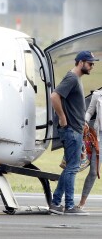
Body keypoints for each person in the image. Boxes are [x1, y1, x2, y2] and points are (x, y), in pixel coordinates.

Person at [49, 51, 99, 215]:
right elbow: (54, 96)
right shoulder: (71, 78)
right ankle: (69, 206)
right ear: (81, 62)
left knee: (70, 167)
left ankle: (56, 203)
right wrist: (63, 118)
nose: (92, 66)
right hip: (71, 131)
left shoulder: (75, 79)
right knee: (72, 168)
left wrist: (82, 123)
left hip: (76, 129)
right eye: (90, 63)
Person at [77, 89, 102, 209]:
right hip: (99, 136)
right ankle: (82, 202)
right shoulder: (97, 95)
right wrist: (85, 122)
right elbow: (89, 111)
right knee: (93, 171)